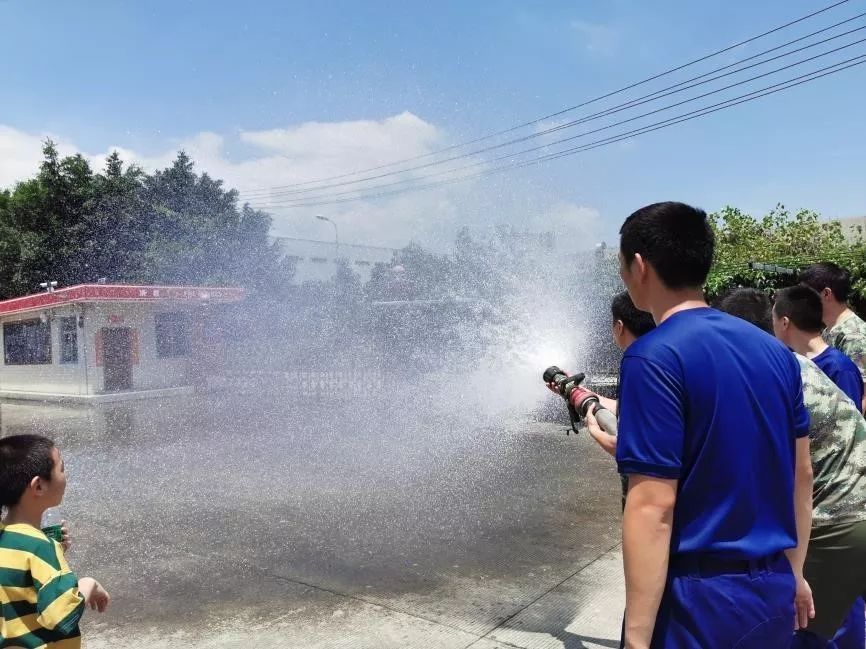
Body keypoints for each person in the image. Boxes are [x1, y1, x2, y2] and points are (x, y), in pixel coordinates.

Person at [615, 202, 813, 649]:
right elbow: (802, 474)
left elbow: (653, 507)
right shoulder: (776, 354)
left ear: (640, 266)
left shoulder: (653, 357)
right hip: (771, 592)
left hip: (698, 601)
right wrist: (796, 573)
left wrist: (636, 640)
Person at [718, 288, 866, 649]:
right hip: (851, 512)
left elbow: (793, 473)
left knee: (797, 630)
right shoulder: (785, 362)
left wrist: (795, 572)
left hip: (839, 520)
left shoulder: (764, 373)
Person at [0, 434, 109, 648]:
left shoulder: (8, 537)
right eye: (62, 468)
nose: (66, 476)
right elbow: (61, 616)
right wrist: (88, 585)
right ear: (38, 486)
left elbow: (18, 579)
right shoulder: (41, 547)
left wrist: (50, 550)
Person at [773, 284, 864, 408]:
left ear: (784, 323)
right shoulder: (791, 361)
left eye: (773, 319)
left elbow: (852, 423)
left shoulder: (839, 368)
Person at [799, 262, 866, 413]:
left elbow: (863, 397)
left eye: (806, 296)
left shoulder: (853, 336)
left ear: (826, 293)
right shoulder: (829, 331)